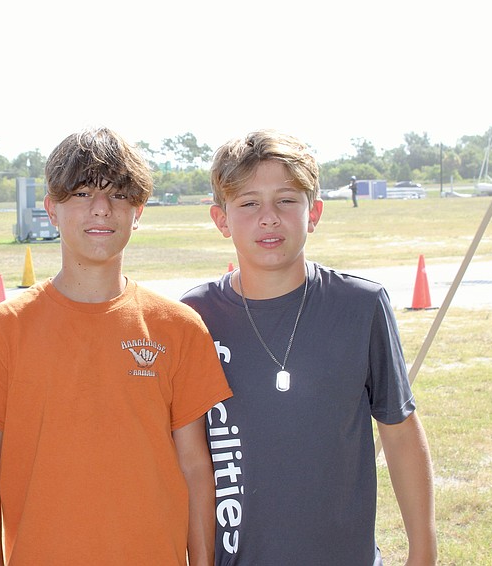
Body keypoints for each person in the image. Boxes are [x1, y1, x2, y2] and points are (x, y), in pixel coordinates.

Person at [0, 127, 232, 565]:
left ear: (138, 211)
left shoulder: (178, 327)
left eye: (120, 195)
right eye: (82, 193)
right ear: (52, 209)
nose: (101, 208)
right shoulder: (2, 330)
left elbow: (197, 470)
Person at [181, 130, 437, 565]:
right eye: (248, 203)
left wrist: (423, 552)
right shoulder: (194, 317)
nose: (269, 218)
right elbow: (191, 465)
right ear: (221, 219)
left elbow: (399, 432)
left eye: (286, 200)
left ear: (313, 212)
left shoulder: (360, 305)